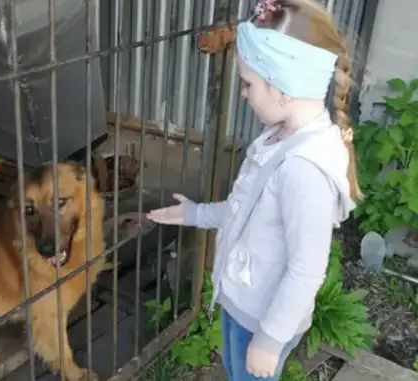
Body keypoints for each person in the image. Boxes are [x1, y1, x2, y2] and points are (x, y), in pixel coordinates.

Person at [146, 0, 361, 380]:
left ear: (283, 87)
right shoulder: (278, 138)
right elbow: (245, 209)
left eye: (248, 83)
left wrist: (270, 339)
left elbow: (306, 270)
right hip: (243, 304)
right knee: (234, 369)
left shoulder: (304, 171)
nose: (243, 94)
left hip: (261, 320)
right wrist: (197, 213)